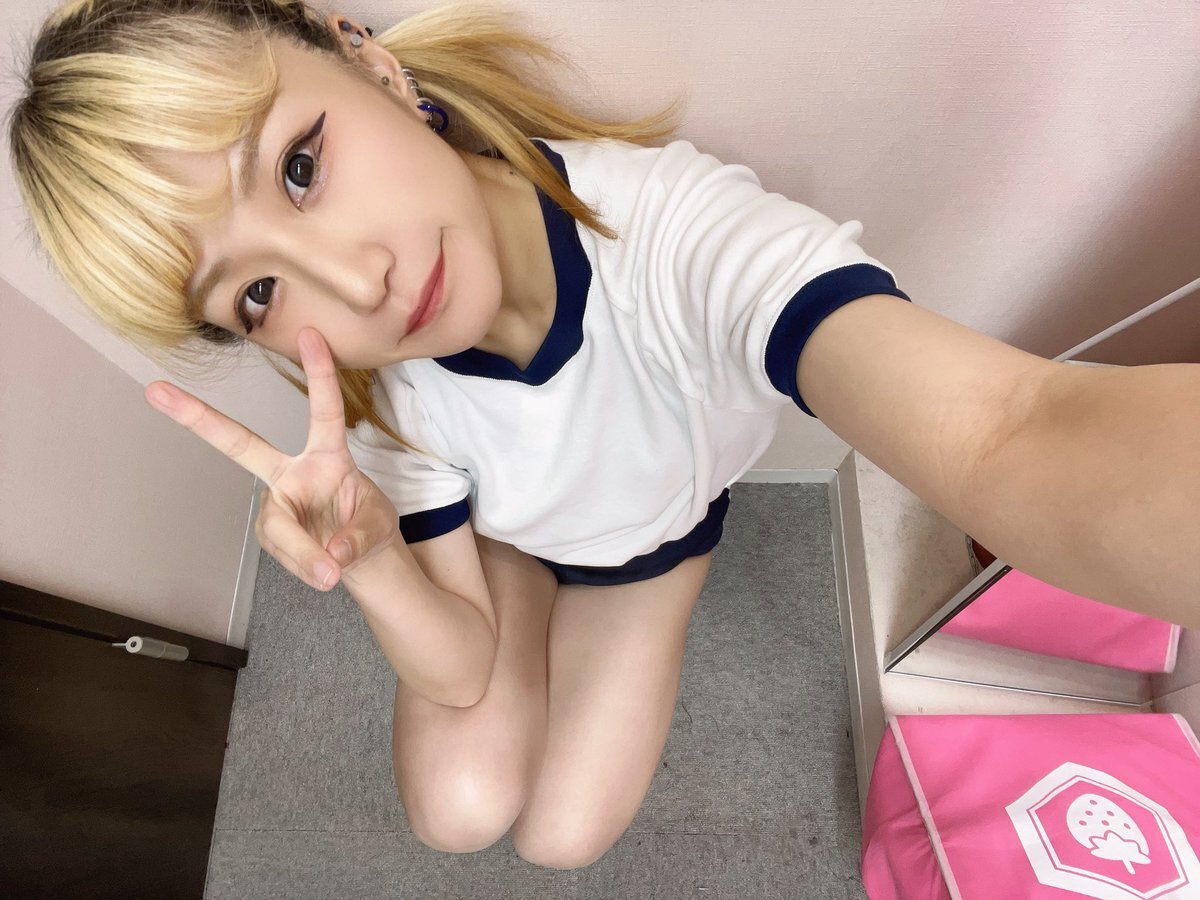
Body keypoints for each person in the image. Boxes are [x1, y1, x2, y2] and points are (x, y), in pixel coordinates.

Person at [9, 0, 1197, 872]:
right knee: (456, 812)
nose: (357, 283)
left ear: (364, 57)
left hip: (649, 553)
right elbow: (457, 669)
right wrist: (370, 563)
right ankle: (513, 566)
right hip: (505, 545)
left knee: (564, 837)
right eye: (258, 293)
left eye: (301, 166)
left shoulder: (670, 234)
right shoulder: (375, 398)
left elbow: (1007, 428)